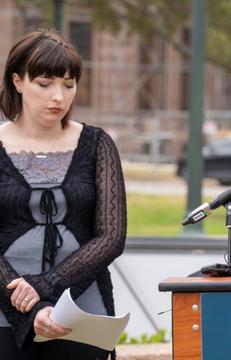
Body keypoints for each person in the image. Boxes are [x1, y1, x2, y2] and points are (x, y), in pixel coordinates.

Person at [0, 30, 127, 359]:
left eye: (68, 85)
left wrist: (45, 285)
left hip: (81, 314)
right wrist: (29, 305)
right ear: (18, 81)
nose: (58, 96)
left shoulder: (97, 144)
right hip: (3, 311)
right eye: (45, 84)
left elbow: (111, 237)